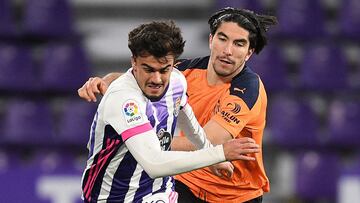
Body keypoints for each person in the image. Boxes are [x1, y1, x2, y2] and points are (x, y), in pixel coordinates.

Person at [78, 8, 278, 203]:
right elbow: (136, 78)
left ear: (249, 53)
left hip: (234, 193)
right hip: (186, 182)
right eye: (222, 39)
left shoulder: (247, 89)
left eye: (239, 44)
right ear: (211, 40)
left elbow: (211, 139)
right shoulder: (183, 72)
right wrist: (104, 81)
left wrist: (141, 139)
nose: (227, 50)